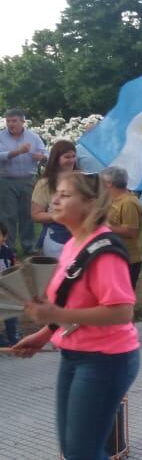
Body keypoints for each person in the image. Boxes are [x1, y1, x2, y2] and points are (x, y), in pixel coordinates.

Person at [10, 172, 140, 460]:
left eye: (65, 195)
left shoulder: (104, 250)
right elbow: (74, 302)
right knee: (74, 451)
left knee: (83, 452)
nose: (54, 200)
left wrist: (55, 313)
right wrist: (45, 333)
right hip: (74, 355)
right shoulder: (73, 244)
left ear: (90, 204)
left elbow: (122, 311)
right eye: (56, 193)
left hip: (106, 360)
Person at [0, 108, 47, 255]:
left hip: (28, 180)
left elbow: (45, 153)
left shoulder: (33, 137)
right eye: (8, 121)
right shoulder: (0, 136)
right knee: (8, 215)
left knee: (28, 214)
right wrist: (18, 152)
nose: (11, 124)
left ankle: (29, 246)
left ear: (22, 121)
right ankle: (8, 247)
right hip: (7, 180)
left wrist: (42, 157)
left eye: (14, 121)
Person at [99, 166, 142, 289]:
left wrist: (104, 226)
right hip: (113, 254)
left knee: (124, 295)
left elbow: (131, 232)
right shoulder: (112, 199)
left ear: (109, 184)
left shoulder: (128, 203)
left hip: (128, 258)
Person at [31, 140, 77, 258]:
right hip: (57, 240)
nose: (71, 160)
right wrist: (58, 215)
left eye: (73, 156)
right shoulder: (44, 184)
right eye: (67, 157)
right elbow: (36, 215)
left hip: (80, 237)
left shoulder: (81, 179)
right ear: (56, 159)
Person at [0, 221, 18, 347]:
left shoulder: (8, 252)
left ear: (5, 236)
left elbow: (13, 268)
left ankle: (13, 337)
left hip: (7, 290)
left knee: (11, 315)